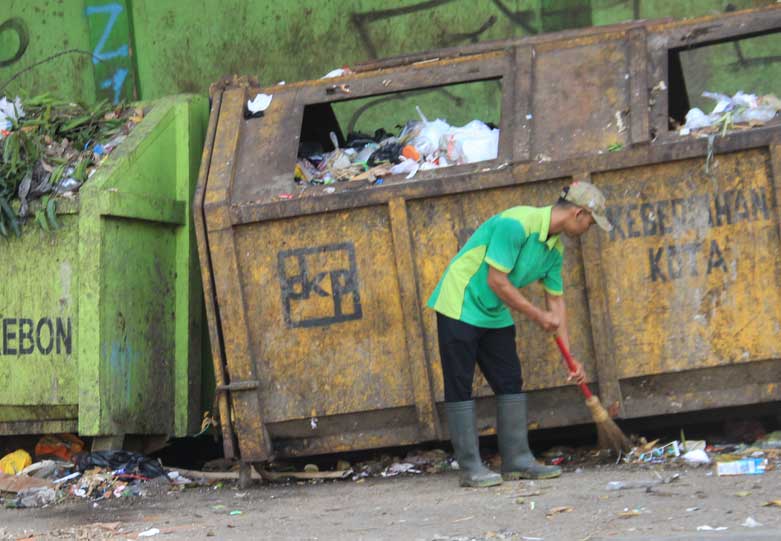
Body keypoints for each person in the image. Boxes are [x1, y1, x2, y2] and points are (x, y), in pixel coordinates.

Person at [427, 181, 613, 487]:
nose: (589, 229)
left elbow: (555, 302)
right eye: (591, 223)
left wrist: (572, 360)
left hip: (493, 311)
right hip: (460, 301)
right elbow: (496, 281)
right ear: (578, 214)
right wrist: (537, 316)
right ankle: (471, 467)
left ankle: (517, 459)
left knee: (510, 379)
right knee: (459, 384)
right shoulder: (517, 224)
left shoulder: (554, 249)